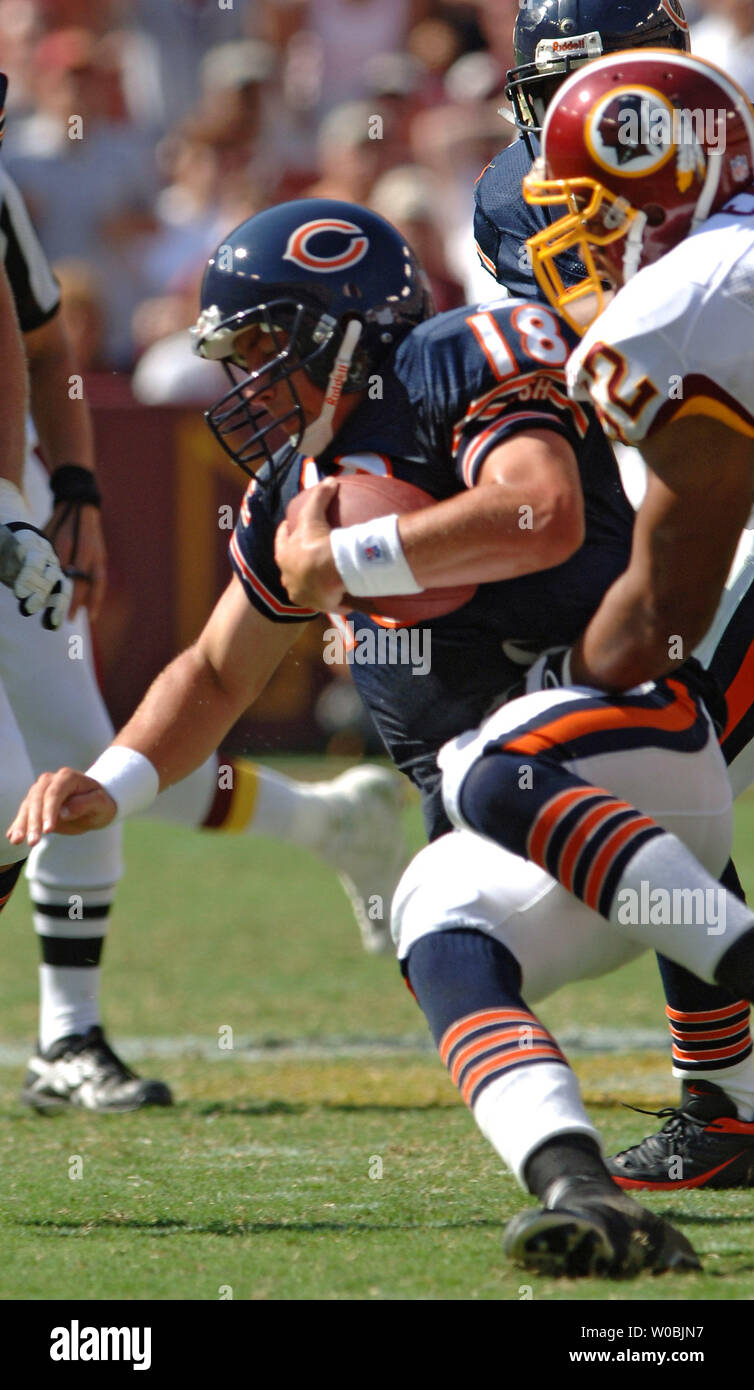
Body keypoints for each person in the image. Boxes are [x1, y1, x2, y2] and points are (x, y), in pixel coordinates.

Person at [11, 198, 754, 1277]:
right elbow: (217, 672)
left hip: (633, 753)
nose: (249, 375)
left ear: (344, 325)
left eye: (266, 342)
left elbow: (536, 508)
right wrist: (109, 786)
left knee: (489, 761)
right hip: (531, 842)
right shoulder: (288, 495)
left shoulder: (460, 355)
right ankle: (577, 1189)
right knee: (430, 918)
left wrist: (346, 564)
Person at [0, 165, 409, 1115]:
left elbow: (36, 340)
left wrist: (65, 488)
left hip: (6, 505)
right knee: (39, 781)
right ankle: (328, 822)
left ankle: (69, 1032)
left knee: (74, 767)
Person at [472, 0, 754, 1192]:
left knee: (599, 774)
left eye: (594, 197)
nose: (560, 217)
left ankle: (729, 1098)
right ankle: (729, 1104)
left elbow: (683, 547)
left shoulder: (668, 297)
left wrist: (593, 670)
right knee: (672, 789)